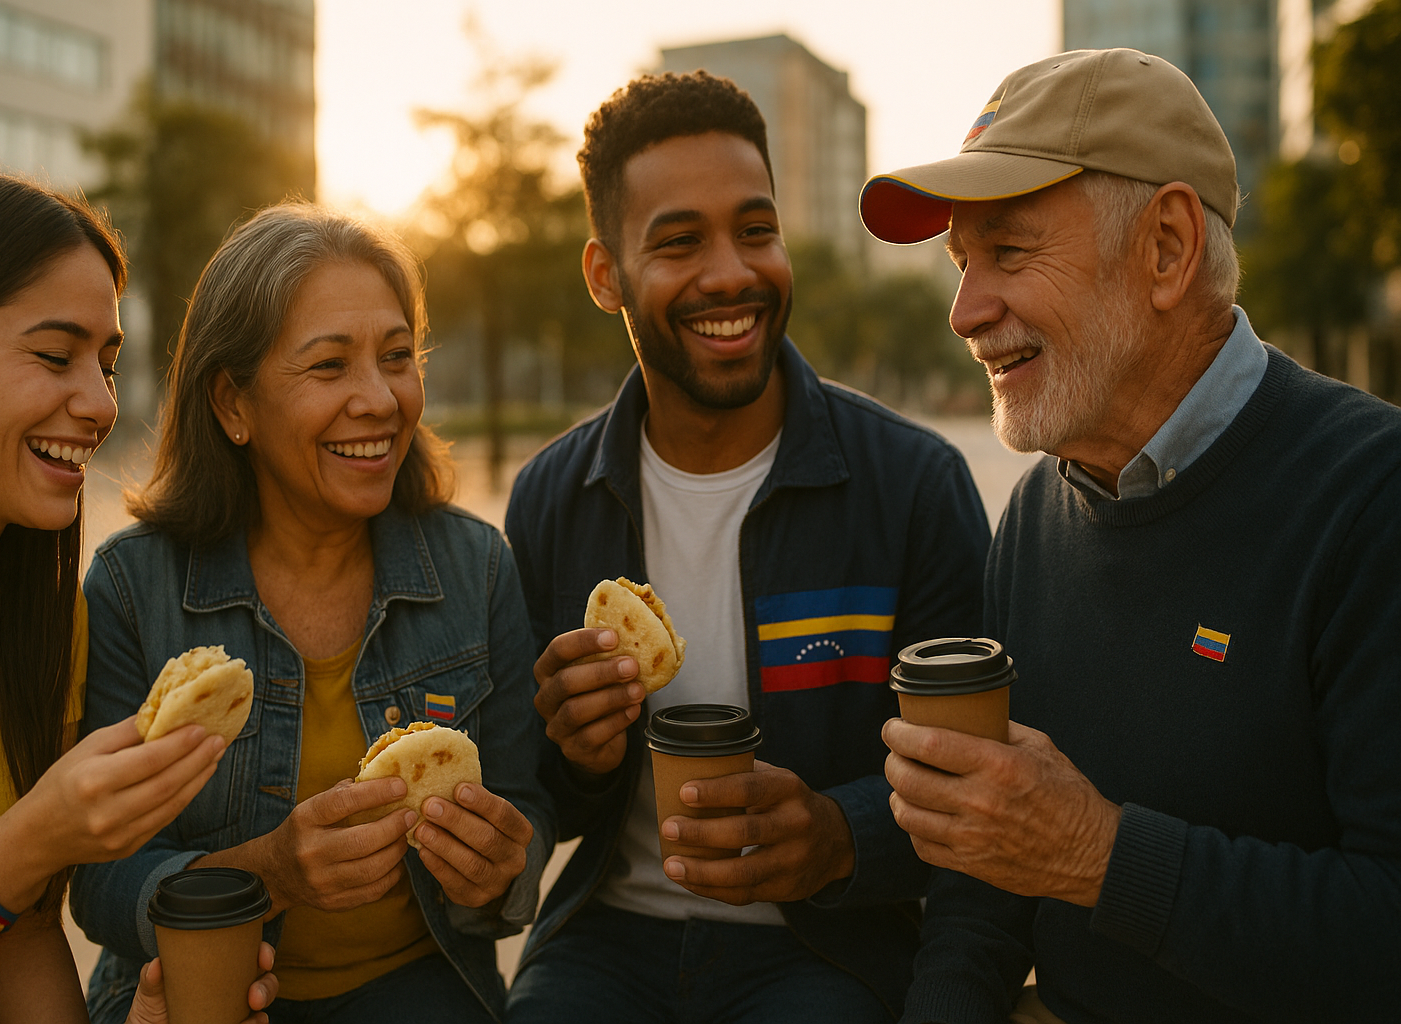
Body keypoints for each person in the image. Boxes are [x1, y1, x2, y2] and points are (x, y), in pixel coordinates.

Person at [862, 48, 1401, 1023]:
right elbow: (986, 887)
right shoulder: (1033, 517)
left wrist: (1095, 853)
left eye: (1009, 253)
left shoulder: (1373, 498)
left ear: (1166, 248)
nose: (964, 312)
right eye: (961, 264)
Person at [503, 72, 990, 1023]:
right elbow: (540, 802)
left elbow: (976, 790)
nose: (731, 273)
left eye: (755, 230)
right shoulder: (552, 499)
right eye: (679, 242)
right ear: (606, 276)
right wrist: (577, 754)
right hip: (608, 941)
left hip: (826, 948)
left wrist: (839, 834)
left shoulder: (913, 486)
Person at [71, 203, 553, 1024]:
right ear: (233, 404)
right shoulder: (130, 588)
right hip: (209, 998)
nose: (380, 399)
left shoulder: (477, 568)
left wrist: (503, 867)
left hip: (425, 991)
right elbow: (98, 878)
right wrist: (271, 873)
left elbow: (527, 811)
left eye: (396, 357)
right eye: (329, 366)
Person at [0, 172, 278, 1023]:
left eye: (108, 364)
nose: (98, 404)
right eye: (56, 357)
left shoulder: (49, 618)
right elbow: (4, 881)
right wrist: (29, 840)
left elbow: (15, 933)